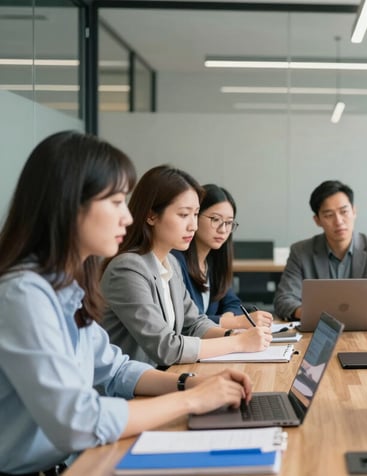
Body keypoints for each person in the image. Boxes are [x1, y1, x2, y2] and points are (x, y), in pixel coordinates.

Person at [0, 131, 254, 475]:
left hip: (79, 459)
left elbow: (115, 368)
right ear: (70, 203)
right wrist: (190, 400)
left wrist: (189, 383)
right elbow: (78, 421)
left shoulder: (66, 288)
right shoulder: (23, 295)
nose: (127, 217)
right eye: (116, 201)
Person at [100, 165, 271, 368]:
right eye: (183, 215)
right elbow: (166, 348)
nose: (193, 225)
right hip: (130, 391)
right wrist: (237, 342)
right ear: (151, 216)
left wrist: (233, 334)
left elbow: (194, 323)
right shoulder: (127, 269)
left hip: (161, 378)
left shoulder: (170, 262)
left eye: (195, 214)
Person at [274, 180, 367, 320]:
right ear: (317, 220)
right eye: (329, 215)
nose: (339, 221)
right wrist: (308, 314)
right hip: (319, 328)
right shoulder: (301, 252)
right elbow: (284, 299)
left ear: (354, 211)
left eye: (344, 212)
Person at [171, 184, 273, 329]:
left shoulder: (213, 261)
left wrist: (228, 318)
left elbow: (232, 302)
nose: (223, 229)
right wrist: (233, 322)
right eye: (215, 219)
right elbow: (185, 321)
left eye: (229, 222)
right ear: (195, 216)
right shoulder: (174, 261)